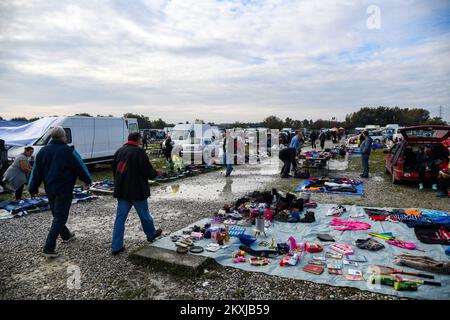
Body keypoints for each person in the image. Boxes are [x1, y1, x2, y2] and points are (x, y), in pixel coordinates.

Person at [29, 126, 92, 258]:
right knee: (60, 216)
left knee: (57, 214)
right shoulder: (69, 151)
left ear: (52, 137)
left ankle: (66, 235)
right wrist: (87, 180)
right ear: (63, 137)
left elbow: (36, 172)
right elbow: (81, 166)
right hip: (64, 189)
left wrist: (33, 188)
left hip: (50, 189)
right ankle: (48, 247)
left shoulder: (42, 152)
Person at [111, 132, 162, 255]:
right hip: (136, 190)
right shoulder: (139, 152)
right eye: (141, 139)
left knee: (120, 218)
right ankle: (151, 234)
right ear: (138, 139)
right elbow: (146, 170)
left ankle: (116, 246)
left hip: (121, 189)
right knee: (144, 215)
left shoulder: (119, 151)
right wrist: (156, 173)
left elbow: (114, 171)